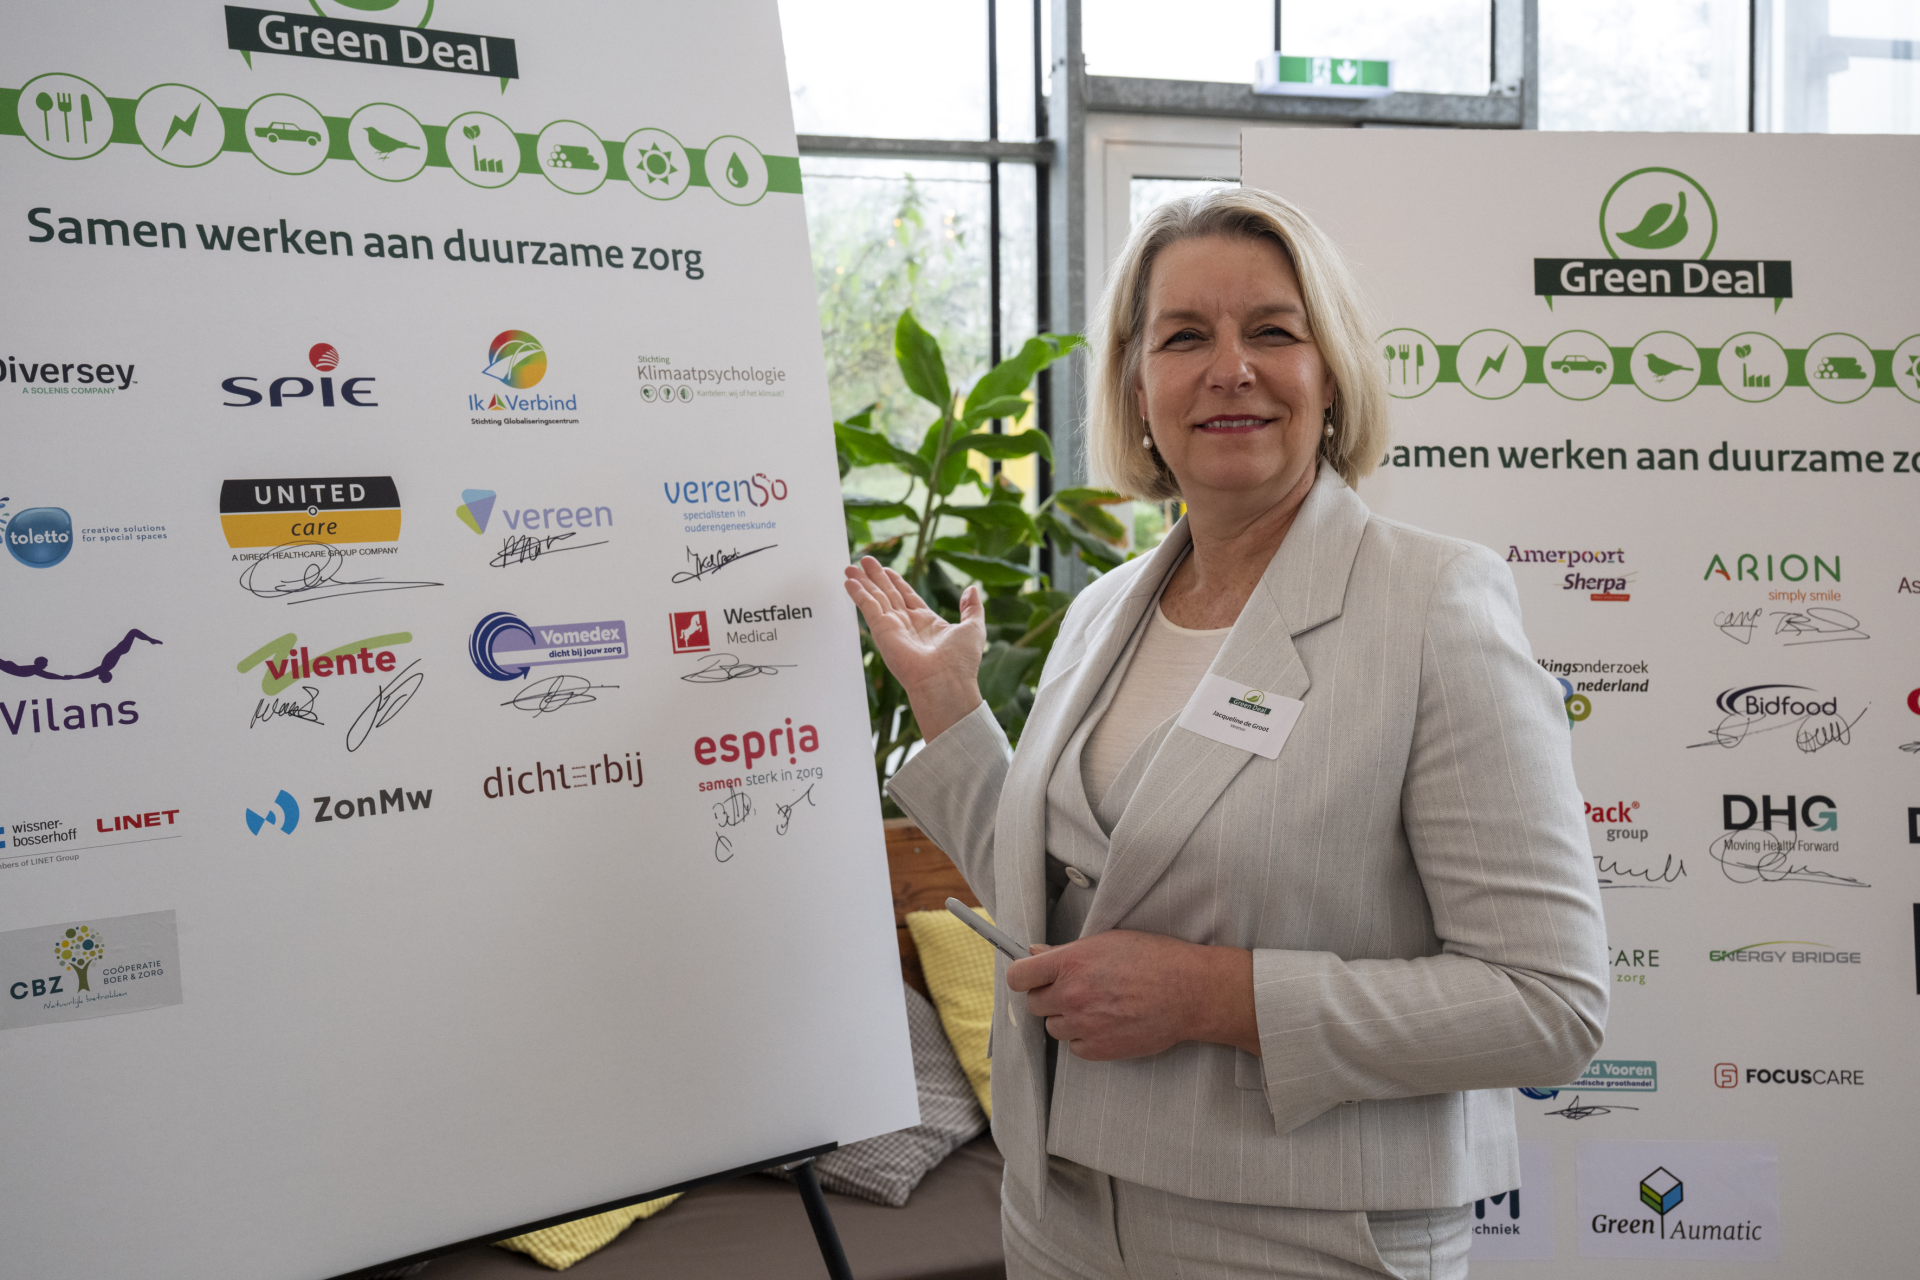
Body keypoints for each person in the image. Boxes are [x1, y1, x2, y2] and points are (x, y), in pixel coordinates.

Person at [844, 187, 1606, 1280]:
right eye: (1185, 336)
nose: (1231, 368)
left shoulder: (1433, 604)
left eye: (1273, 331)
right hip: (1058, 1215)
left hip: (1299, 1234)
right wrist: (951, 712)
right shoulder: (1104, 610)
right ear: (1136, 386)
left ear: (1331, 373)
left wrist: (1212, 995)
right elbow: (1077, 896)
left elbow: (1548, 1005)